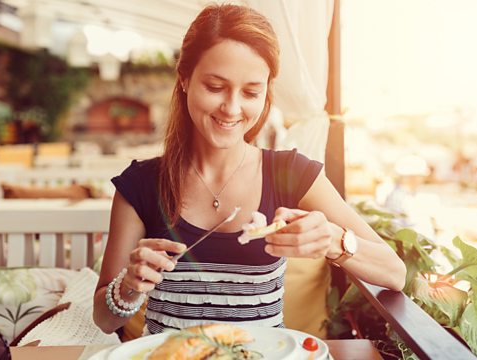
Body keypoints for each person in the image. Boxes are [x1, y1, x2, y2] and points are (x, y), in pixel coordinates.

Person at [93, 4, 406, 337]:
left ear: (266, 91)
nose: (232, 108)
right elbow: (103, 318)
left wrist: (333, 240)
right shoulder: (141, 183)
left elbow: (394, 273)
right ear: (184, 79)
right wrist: (127, 287)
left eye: (251, 92)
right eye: (215, 87)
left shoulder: (291, 173)